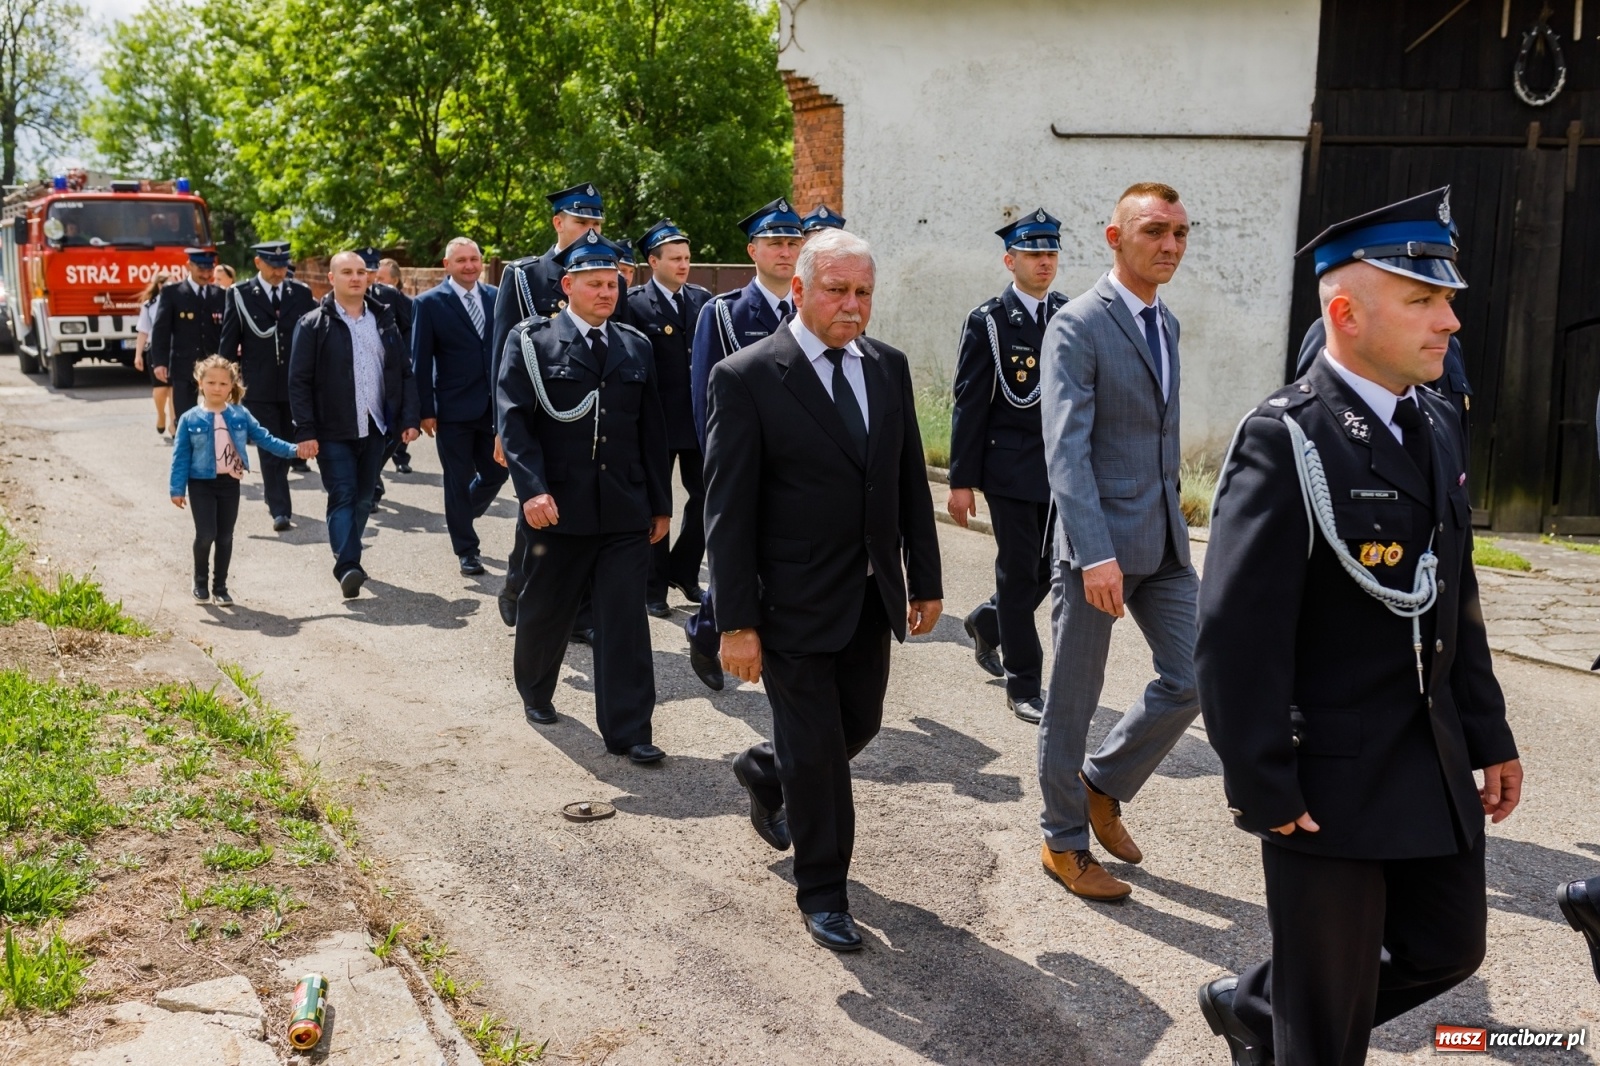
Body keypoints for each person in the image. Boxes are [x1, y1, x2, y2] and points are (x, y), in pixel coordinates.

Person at [1195, 187, 1523, 1066]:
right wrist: (1261, 780)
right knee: (1328, 1032)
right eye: (1423, 301)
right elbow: (1235, 634)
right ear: (1344, 312)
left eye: (1447, 299)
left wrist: (1489, 732)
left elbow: (1456, 601)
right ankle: (1288, 1015)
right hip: (1327, 775)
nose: (1449, 321)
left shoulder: (1435, 424)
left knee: (1450, 948)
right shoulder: (1287, 438)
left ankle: (1257, 1007)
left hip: (1430, 758)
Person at [708, 228, 942, 952]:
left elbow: (906, 482)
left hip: (869, 595)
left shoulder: (887, 367)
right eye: (837, 290)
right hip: (790, 603)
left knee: (858, 726)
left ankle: (767, 771)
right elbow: (727, 510)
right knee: (819, 759)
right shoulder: (747, 376)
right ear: (800, 290)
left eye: (863, 291)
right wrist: (736, 621)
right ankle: (823, 890)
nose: (852, 304)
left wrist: (925, 578)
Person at [1035, 182, 1198, 902]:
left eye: (1181, 233)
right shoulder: (1078, 323)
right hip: (1095, 546)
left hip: (1162, 543)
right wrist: (1094, 551)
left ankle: (1103, 782)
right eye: (1155, 231)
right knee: (1073, 699)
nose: (1169, 246)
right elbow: (1066, 449)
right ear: (1114, 237)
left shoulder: (1169, 325)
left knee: (1198, 674)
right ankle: (1063, 841)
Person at [496, 231, 671, 762]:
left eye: (612, 283)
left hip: (623, 507)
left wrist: (661, 503)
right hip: (558, 508)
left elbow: (652, 431)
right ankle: (536, 691)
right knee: (548, 607)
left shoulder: (634, 345)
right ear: (567, 285)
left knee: (624, 619)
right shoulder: (533, 342)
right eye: (593, 283)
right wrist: (531, 492)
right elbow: (515, 423)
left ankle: (630, 730)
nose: (605, 292)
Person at [947, 209, 1068, 724]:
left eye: (1050, 253)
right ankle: (1024, 683)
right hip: (1010, 468)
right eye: (1034, 254)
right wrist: (960, 480)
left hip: (1059, 468)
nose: (1044, 262)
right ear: (1010, 259)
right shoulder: (990, 321)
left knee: (1047, 570)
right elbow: (969, 402)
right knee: (1020, 572)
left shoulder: (1068, 312)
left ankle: (987, 621)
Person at [683, 197, 805, 691]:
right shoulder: (725, 313)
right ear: (752, 250)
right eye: (774, 242)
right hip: (744, 461)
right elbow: (703, 398)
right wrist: (718, 464)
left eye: (793, 242)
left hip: (801, 462)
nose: (785, 251)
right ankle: (707, 630)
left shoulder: (813, 308)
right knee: (739, 554)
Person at [491, 182, 606, 628]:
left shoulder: (602, 271)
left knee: (585, 512)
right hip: (537, 413)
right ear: (559, 222)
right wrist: (500, 425)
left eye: (595, 222)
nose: (589, 229)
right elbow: (501, 351)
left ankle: (579, 614)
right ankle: (518, 582)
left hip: (589, 413)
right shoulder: (524, 275)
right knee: (537, 508)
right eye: (581, 221)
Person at [287, 251, 422, 598]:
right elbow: (298, 381)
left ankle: (350, 556)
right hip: (333, 429)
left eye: (361, 272)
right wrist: (305, 431)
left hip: (376, 425)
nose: (356, 277)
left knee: (364, 498)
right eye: (347, 272)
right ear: (332, 279)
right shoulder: (313, 324)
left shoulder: (384, 319)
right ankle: (348, 564)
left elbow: (403, 371)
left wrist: (409, 417)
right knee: (343, 493)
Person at [626, 219, 713, 617]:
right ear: (653, 261)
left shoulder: (702, 300)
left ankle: (684, 568)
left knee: (709, 497)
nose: (684, 265)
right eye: (675, 259)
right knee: (656, 505)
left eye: (687, 258)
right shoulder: (633, 303)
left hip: (697, 420)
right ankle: (653, 586)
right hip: (655, 422)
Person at [168, 355, 298, 605]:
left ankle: (220, 587)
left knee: (225, 536)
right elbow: (180, 456)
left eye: (223, 384)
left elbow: (266, 439)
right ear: (200, 382)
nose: (217, 388)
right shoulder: (189, 419)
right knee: (206, 534)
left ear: (232, 386)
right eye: (211, 382)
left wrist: (294, 450)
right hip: (200, 484)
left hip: (230, 483)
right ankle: (200, 581)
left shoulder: (240, 415)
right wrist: (177, 489)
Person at [411, 237, 507, 576]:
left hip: (493, 408)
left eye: (474, 259)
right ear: (447, 265)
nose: (469, 265)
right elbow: (419, 361)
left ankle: (462, 514)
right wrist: (424, 409)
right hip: (451, 408)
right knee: (456, 479)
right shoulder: (429, 303)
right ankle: (467, 550)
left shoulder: (497, 298)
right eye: (461, 260)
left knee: (498, 470)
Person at [217, 241, 316, 532]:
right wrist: (224, 385)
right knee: (271, 448)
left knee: (288, 443)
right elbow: (228, 341)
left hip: (295, 386)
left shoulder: (300, 293)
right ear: (258, 263)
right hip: (258, 387)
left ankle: (275, 493)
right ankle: (280, 509)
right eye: (273, 266)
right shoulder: (240, 294)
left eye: (283, 265)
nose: (279, 271)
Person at [148, 248, 226, 417]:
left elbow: (226, 332)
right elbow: (161, 330)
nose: (206, 275)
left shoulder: (220, 295)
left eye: (209, 270)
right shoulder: (173, 293)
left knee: (215, 416)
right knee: (185, 417)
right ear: (189, 266)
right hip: (183, 365)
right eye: (201, 270)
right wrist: (160, 362)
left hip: (213, 367)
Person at [371, 253, 417, 476]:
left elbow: (409, 328)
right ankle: (374, 490)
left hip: (393, 369)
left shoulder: (399, 300)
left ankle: (400, 455)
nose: (375, 281)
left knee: (395, 419)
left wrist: (405, 355)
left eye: (380, 277)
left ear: (395, 281)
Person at [132, 272, 175, 442]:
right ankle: (160, 415)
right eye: (167, 285)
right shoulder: (150, 305)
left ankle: (173, 424)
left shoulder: (179, 302)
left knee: (173, 389)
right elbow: (143, 331)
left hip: (174, 349)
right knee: (160, 390)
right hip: (155, 351)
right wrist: (138, 355)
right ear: (159, 286)